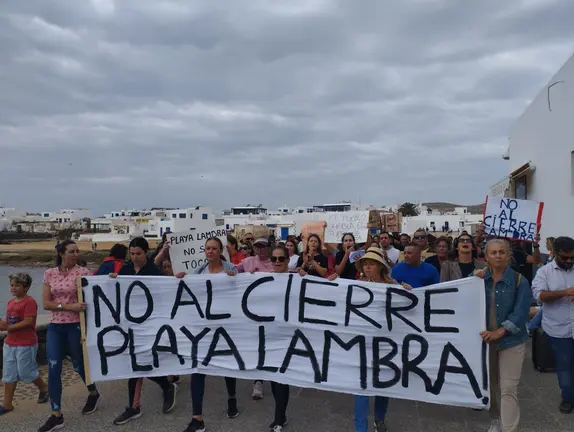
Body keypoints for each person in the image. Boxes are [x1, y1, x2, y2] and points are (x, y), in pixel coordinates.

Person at [111, 237, 178, 425]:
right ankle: (138, 404)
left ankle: (163, 388)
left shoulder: (153, 271)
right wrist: (112, 282)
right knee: (134, 364)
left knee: (143, 362)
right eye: (131, 254)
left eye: (138, 253)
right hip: (131, 326)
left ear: (146, 253)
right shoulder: (124, 270)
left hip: (150, 325)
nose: (134, 257)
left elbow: (167, 292)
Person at [39, 240, 100, 432]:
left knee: (78, 364)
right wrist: (68, 307)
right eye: (71, 251)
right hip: (56, 327)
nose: (75, 254)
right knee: (54, 368)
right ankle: (56, 415)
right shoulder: (49, 274)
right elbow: (46, 304)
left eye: (77, 251)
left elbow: (98, 291)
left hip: (75, 326)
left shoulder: (82, 272)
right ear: (61, 253)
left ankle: (93, 392)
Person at [474, 239, 532, 432]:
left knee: (508, 388)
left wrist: (501, 330)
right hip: (485, 342)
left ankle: (509, 428)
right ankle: (495, 420)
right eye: (493, 253)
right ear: (487, 256)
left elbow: (521, 312)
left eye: (501, 252)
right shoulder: (477, 279)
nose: (498, 255)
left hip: (511, 341)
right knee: (490, 386)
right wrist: (473, 279)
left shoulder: (519, 280)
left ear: (508, 256)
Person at [351, 246, 411, 432]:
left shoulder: (393, 287)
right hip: (362, 344)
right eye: (365, 264)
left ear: (380, 266)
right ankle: (360, 428)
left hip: (386, 344)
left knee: (382, 386)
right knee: (361, 388)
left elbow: (410, 309)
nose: (368, 268)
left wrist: (409, 292)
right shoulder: (357, 286)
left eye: (372, 264)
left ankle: (379, 420)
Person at [184, 237, 239, 432]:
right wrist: (181, 280)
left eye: (214, 248)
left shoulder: (231, 269)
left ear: (220, 250)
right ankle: (196, 418)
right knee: (197, 369)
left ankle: (232, 398)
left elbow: (240, 294)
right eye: (207, 248)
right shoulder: (198, 272)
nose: (210, 252)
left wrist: (234, 280)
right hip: (204, 328)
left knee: (226, 366)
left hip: (225, 326)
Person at [531, 236, 574, 414]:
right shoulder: (544, 272)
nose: (569, 261)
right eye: (565, 257)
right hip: (558, 329)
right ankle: (568, 398)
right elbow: (539, 296)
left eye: (573, 257)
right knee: (564, 367)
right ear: (555, 253)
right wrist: (565, 292)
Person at [0, 273, 48, 415]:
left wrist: (8, 327)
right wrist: (4, 325)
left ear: (25, 287)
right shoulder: (10, 303)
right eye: (12, 285)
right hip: (10, 343)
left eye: (17, 285)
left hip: (26, 343)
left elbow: (28, 322)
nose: (13, 288)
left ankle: (44, 388)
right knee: (9, 374)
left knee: (26, 372)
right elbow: (8, 322)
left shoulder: (30, 302)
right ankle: (7, 405)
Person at [267, 245, 292, 431]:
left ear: (287, 260)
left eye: (280, 259)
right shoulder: (263, 280)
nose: (277, 262)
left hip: (290, 336)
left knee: (283, 377)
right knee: (273, 379)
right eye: (274, 259)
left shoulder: (297, 279)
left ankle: (278, 418)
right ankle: (281, 415)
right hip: (269, 336)